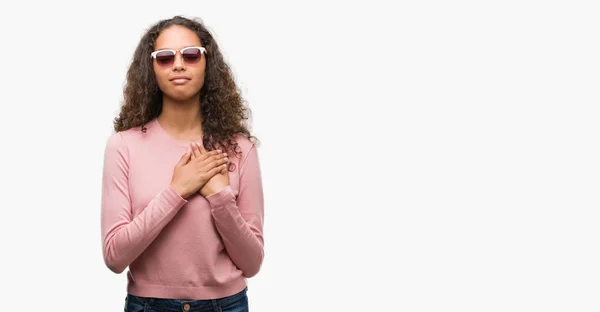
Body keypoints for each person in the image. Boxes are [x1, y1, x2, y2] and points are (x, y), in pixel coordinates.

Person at [100, 15, 264, 312]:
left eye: (190, 55)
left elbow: (252, 263)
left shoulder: (241, 149)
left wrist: (220, 197)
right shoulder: (123, 146)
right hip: (148, 305)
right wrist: (177, 190)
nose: (178, 64)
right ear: (151, 69)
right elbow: (114, 256)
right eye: (164, 58)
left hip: (227, 305)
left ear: (207, 64)